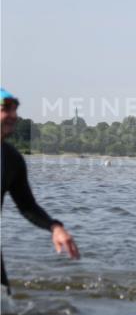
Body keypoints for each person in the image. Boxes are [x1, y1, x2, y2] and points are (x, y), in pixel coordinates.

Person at [1, 89, 81, 295]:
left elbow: (27, 206)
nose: (13, 115)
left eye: (14, 110)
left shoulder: (11, 159)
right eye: (5, 109)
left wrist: (55, 227)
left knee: (6, 310)